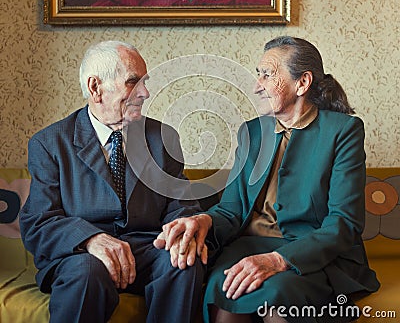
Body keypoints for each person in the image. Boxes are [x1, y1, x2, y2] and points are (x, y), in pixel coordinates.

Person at [159, 36, 380, 323]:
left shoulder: (343, 131)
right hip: (247, 249)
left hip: (310, 255)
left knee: (278, 297)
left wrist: (278, 260)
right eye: (258, 73)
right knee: (226, 291)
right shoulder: (251, 132)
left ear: (302, 83)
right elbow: (231, 211)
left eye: (267, 74)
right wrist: (204, 220)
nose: (256, 85)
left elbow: (344, 222)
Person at [19, 40, 206, 323]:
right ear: (96, 88)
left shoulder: (161, 138)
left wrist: (182, 226)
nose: (145, 93)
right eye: (134, 82)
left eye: (145, 82)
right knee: (86, 273)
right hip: (80, 256)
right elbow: (38, 222)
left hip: (145, 249)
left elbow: (180, 203)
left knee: (182, 263)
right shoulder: (50, 143)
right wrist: (90, 239)